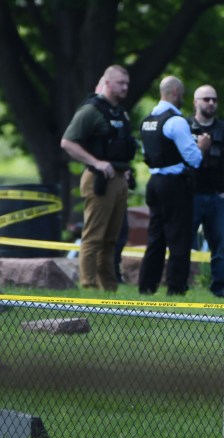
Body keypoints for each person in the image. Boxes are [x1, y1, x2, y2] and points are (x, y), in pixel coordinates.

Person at [61, 65, 136, 292]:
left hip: (119, 179)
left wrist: (125, 169)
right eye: (121, 83)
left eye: (127, 83)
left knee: (111, 240)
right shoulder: (91, 110)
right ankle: (88, 287)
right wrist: (96, 162)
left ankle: (109, 289)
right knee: (94, 238)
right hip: (99, 181)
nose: (125, 87)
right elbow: (67, 142)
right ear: (108, 83)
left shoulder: (120, 112)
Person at [138, 76, 210, 296]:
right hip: (174, 184)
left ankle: (146, 286)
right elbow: (194, 159)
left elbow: (146, 154)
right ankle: (176, 288)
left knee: (155, 237)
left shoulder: (148, 120)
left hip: (154, 182)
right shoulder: (176, 121)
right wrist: (203, 146)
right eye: (182, 94)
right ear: (176, 92)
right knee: (179, 237)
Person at [187, 85, 224, 297]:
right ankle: (179, 286)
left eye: (214, 99)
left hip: (217, 196)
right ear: (195, 102)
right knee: (184, 243)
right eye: (206, 99)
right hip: (190, 196)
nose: (211, 103)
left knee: (219, 247)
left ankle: (219, 288)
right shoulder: (185, 126)